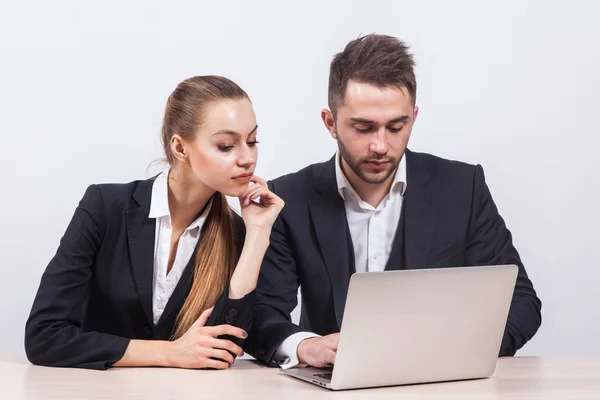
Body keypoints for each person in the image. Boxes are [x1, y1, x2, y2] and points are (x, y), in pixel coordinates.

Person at [245, 34, 542, 368]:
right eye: (363, 128)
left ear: (413, 116)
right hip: (329, 387)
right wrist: (305, 346)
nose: (381, 146)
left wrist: (454, 350)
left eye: (396, 126)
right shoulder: (289, 198)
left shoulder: (463, 188)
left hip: (439, 383)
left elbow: (521, 302)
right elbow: (260, 314)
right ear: (331, 123)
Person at [25, 76, 284, 370]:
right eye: (226, 146)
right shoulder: (104, 207)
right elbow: (44, 337)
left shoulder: (238, 232)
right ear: (180, 148)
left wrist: (258, 235)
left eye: (252, 141)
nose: (247, 158)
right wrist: (169, 353)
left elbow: (222, 349)